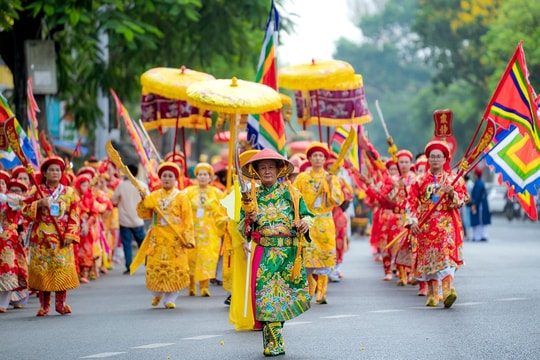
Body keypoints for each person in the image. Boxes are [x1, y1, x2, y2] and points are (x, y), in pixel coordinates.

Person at [240, 148, 313, 357]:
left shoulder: (292, 193)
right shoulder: (250, 197)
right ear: (256, 172)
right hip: (265, 252)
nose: (267, 171)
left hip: (288, 253)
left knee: (282, 298)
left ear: (279, 169)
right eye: (262, 168)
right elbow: (242, 227)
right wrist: (249, 220)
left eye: (270, 167)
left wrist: (304, 224)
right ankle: (275, 342)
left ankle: (274, 339)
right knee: (266, 297)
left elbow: (308, 215)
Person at [409, 141, 469, 308]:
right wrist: (412, 222)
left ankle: (448, 291)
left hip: (446, 224)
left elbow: (462, 200)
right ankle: (433, 295)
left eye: (439, 157)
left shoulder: (453, 179)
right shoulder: (419, 180)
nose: (435, 159)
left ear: (445, 159)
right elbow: (411, 202)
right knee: (429, 261)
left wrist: (452, 194)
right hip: (425, 226)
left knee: (447, 257)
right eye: (432, 156)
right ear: (428, 159)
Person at [21, 156, 80, 316]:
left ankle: (61, 304)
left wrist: (70, 234)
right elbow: (23, 210)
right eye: (51, 170)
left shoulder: (69, 193)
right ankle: (44, 306)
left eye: (58, 170)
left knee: (61, 269)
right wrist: (38, 204)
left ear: (62, 173)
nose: (55, 172)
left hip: (61, 239)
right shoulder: (36, 191)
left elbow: (74, 214)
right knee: (43, 271)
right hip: (41, 240)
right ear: (45, 173)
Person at [131, 161, 195, 309]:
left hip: (175, 238)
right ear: (160, 178)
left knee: (175, 267)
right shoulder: (153, 196)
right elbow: (144, 214)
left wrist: (188, 238)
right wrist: (143, 200)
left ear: (175, 178)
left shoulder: (181, 197)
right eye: (164, 176)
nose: (167, 178)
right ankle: (157, 294)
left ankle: (170, 298)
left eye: (170, 176)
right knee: (156, 267)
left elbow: (188, 219)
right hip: (157, 238)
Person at [293, 142, 343, 305]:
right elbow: (294, 198)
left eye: (321, 156)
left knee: (324, 257)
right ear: (309, 158)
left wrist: (328, 184)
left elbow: (337, 200)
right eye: (314, 155)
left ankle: (322, 293)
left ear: (324, 159)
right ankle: (309, 287)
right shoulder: (302, 178)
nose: (318, 158)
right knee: (306, 256)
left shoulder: (331, 177)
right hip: (307, 221)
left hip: (325, 222)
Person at [184, 162, 228, 297]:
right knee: (191, 258)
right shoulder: (188, 192)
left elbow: (224, 208)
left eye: (205, 174)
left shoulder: (217, 193)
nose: (203, 177)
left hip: (210, 232)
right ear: (196, 176)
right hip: (192, 230)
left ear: (210, 177)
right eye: (200, 174)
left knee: (207, 258)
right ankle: (191, 284)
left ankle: (204, 286)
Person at [112, 164, 147, 274]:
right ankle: (149, 263)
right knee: (143, 244)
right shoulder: (141, 185)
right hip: (138, 219)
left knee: (127, 244)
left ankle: (129, 266)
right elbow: (148, 200)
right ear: (137, 173)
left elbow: (113, 200)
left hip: (124, 220)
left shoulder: (121, 186)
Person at [0, 178, 29, 313]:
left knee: (8, 270)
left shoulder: (12, 200)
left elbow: (22, 205)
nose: (0, 185)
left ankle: (3, 304)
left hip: (8, 241)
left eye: (2, 183)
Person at [469, 167, 491, 242]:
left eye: (474, 174)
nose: (473, 175)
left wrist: (474, 205)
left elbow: (477, 196)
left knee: (479, 220)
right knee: (481, 221)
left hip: (480, 205)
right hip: (480, 204)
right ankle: (482, 235)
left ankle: (479, 236)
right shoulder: (478, 182)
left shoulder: (479, 184)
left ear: (477, 175)